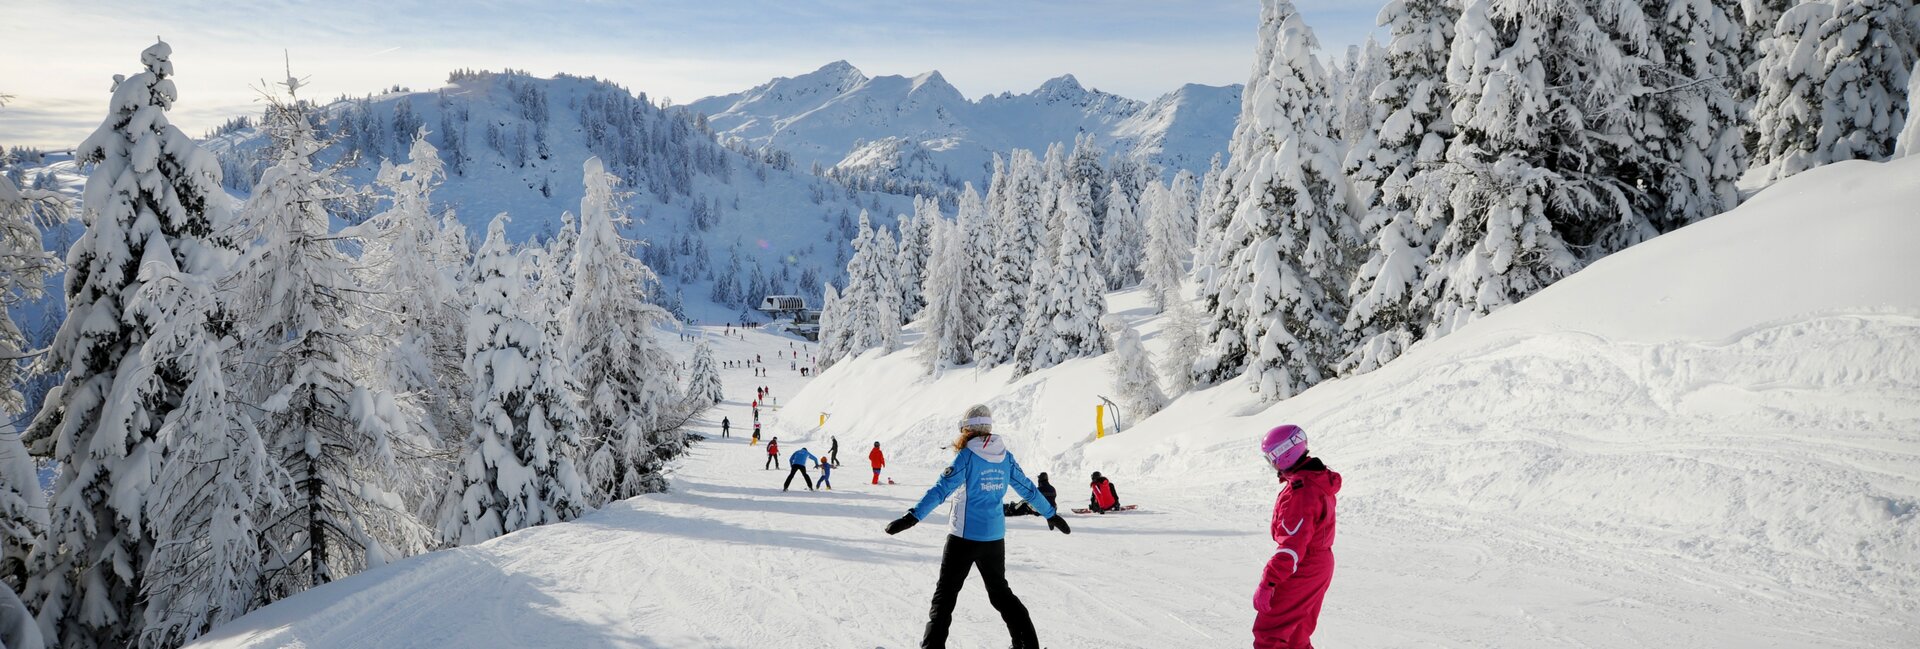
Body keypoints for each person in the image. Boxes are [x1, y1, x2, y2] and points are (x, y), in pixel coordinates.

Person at [883, 405, 1070, 649]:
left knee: (945, 596)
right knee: (1001, 593)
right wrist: (1050, 512)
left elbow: (941, 490)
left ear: (966, 430)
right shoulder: (1005, 456)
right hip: (993, 538)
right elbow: (1027, 488)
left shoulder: (967, 456)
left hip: (963, 538)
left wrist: (912, 517)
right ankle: (1026, 645)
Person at [1252, 425, 1339, 649]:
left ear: (1284, 454)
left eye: (1271, 457)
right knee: (1295, 637)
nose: (1270, 464)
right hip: (1319, 563)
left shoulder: (1301, 492)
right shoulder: (1315, 479)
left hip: (1305, 565)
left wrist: (1268, 582)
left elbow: (1292, 547)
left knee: (1270, 633)